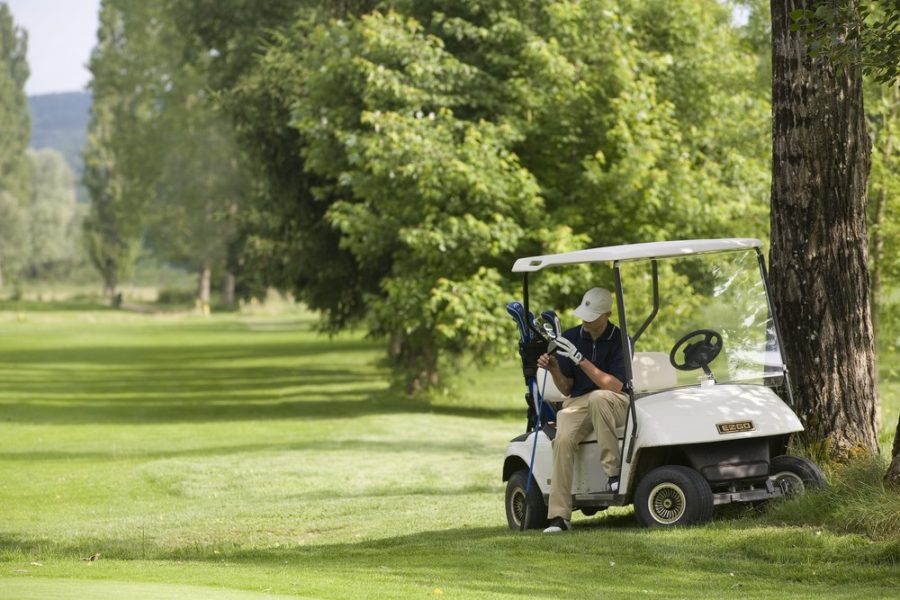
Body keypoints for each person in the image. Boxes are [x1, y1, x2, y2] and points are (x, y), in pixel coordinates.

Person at [537, 287, 629, 533]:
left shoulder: (620, 339)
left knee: (599, 397)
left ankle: (613, 473)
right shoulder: (571, 337)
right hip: (578, 403)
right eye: (584, 315)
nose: (585, 321)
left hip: (614, 400)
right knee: (562, 441)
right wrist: (555, 367)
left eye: (592, 316)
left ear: (607, 314)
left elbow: (615, 386)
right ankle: (559, 517)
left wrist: (581, 360)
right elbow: (567, 389)